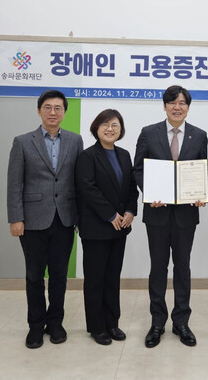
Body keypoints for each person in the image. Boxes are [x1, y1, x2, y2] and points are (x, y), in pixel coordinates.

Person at [7, 90, 83, 349]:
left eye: (58, 108)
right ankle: (36, 326)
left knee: (60, 275)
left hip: (65, 218)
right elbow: (14, 183)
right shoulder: (22, 142)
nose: (53, 112)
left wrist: (80, 217)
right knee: (34, 276)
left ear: (64, 112)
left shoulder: (75, 140)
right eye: (48, 107)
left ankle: (56, 322)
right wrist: (16, 218)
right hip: (32, 220)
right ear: (39, 111)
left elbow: (79, 181)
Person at [133, 85, 208, 348]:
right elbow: (138, 169)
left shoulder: (199, 135)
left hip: (186, 214)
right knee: (158, 267)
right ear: (164, 106)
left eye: (182, 103)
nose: (177, 107)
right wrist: (149, 191)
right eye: (172, 102)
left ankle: (181, 321)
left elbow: (203, 170)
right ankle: (157, 322)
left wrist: (202, 193)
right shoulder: (148, 132)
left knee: (183, 268)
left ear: (188, 107)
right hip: (157, 213)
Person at [77, 109, 138, 346]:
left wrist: (130, 211)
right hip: (96, 227)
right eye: (105, 124)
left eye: (115, 125)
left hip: (120, 227)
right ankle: (97, 327)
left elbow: (131, 187)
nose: (110, 129)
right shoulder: (87, 156)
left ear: (121, 130)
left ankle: (112, 323)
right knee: (95, 279)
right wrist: (110, 214)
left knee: (113, 277)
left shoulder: (124, 155)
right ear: (96, 128)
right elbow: (87, 188)